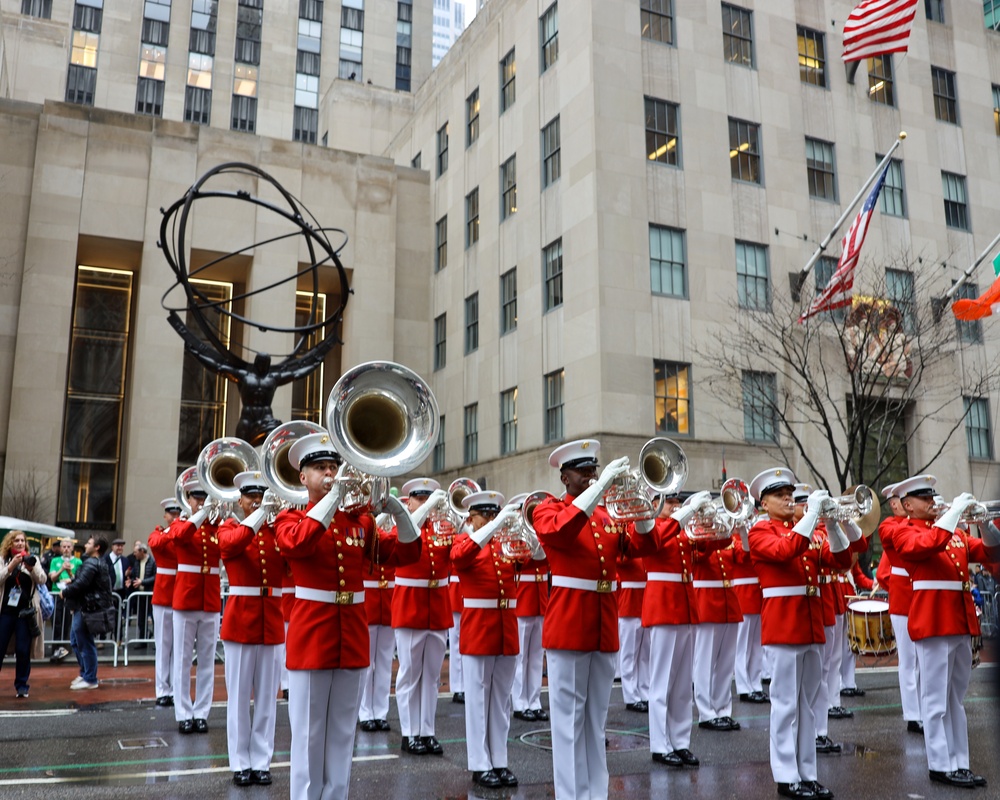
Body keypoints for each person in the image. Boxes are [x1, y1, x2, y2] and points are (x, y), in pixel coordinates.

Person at [275, 431, 421, 800]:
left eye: (333, 467)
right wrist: (336, 496)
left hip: (352, 634)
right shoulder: (290, 517)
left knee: (342, 734)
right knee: (309, 735)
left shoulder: (361, 522)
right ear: (302, 477)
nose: (329, 473)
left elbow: (407, 554)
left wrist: (398, 509)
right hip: (313, 634)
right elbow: (298, 543)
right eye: (320, 468)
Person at [530, 439, 643, 800]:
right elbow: (558, 532)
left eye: (594, 470)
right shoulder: (547, 509)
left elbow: (644, 547)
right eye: (583, 471)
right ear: (565, 476)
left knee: (595, 724)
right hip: (569, 623)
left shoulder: (608, 517)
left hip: (604, 623)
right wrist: (598, 494)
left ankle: (596, 794)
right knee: (567, 725)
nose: (591, 476)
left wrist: (642, 510)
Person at [746, 468, 854, 800]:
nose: (788, 499)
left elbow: (842, 560)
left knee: (808, 704)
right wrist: (811, 518)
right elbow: (783, 552)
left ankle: (807, 772)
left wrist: (833, 524)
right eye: (780, 495)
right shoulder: (760, 531)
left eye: (790, 493)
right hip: (783, 626)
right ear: (764, 503)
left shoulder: (801, 532)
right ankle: (785, 774)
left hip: (809, 624)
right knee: (785, 705)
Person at [893, 475, 998, 789]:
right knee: (935, 701)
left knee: (955, 700)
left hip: (959, 622)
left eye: (933, 496)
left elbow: (991, 553)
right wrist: (954, 514)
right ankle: (940, 764)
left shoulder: (953, 535)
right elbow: (928, 543)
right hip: (933, 623)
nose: (932, 501)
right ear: (907, 505)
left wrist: (984, 522)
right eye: (924, 498)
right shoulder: (904, 531)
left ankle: (960, 763)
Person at [629, 490, 711, 769]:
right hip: (663, 602)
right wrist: (686, 513)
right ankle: (660, 744)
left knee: (681, 683)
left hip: (685, 602)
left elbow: (712, 545)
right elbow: (658, 537)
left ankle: (680, 741)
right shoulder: (650, 526)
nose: (673, 506)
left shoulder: (681, 528)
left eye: (677, 502)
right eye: (668, 501)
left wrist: (710, 518)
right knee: (661, 680)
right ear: (653, 505)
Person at [451, 490, 524, 788]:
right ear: (471, 518)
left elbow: (538, 559)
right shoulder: (464, 542)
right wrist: (495, 526)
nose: (494, 520)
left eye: (496, 514)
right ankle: (480, 764)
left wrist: (522, 529)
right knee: (479, 701)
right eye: (487, 515)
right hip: (479, 627)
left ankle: (499, 760)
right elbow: (460, 557)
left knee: (501, 701)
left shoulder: (504, 546)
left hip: (506, 625)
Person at [218, 471, 285, 787]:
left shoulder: (276, 531)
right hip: (241, 621)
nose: (256, 500)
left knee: (268, 700)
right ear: (240, 500)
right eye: (250, 496)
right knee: (239, 697)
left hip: (271, 620)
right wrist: (261, 514)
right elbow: (232, 545)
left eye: (261, 495)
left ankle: (262, 761)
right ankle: (240, 761)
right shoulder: (230, 527)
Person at [392, 477, 452, 757]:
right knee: (409, 674)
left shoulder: (443, 528)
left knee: (431, 676)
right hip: (410, 606)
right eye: (419, 496)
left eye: (428, 496)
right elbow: (407, 530)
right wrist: (428, 507)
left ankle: (427, 731)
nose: (425, 501)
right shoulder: (405, 523)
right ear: (410, 500)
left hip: (437, 605)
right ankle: (409, 733)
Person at [161, 475, 221, 734]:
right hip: (186, 598)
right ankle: (184, 712)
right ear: (188, 500)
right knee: (183, 660)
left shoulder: (217, 527)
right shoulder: (182, 523)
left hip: (210, 600)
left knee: (207, 661)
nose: (202, 502)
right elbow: (181, 536)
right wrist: (198, 514)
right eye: (198, 497)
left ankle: (202, 712)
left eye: (205, 497)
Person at [876, 481, 923, 734]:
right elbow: (885, 571)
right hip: (904, 597)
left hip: (923, 596)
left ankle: (926, 709)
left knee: (925, 659)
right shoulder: (890, 525)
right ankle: (913, 714)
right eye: (897, 500)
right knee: (909, 659)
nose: (897, 504)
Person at [511, 493, 550, 723]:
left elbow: (546, 559)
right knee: (521, 656)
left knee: (536, 656)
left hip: (539, 601)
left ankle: (534, 701)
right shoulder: (515, 538)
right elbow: (522, 560)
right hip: (523, 601)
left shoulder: (541, 536)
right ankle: (519, 702)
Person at [359, 510, 397, 732]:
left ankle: (380, 711)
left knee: (383, 663)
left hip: (387, 604)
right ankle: (365, 712)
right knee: (366, 663)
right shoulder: (365, 531)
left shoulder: (389, 532)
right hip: (369, 603)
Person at [61, 536, 113, 691]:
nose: (85, 545)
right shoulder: (95, 563)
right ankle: (86, 674)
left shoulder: (91, 562)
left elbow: (82, 584)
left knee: (84, 643)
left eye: (89, 543)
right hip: (85, 607)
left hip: (86, 608)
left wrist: (66, 592)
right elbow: (85, 582)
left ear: (96, 547)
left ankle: (90, 677)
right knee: (77, 642)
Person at [0, 531, 47, 697]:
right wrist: (11, 566)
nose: (20, 543)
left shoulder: (31, 559)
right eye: (16, 541)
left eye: (22, 540)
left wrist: (31, 568)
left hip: (24, 613)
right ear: (10, 543)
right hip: (5, 611)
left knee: (22, 649)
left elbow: (42, 579)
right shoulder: (3, 559)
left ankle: (21, 685)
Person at [147, 497, 181, 707]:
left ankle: (177, 688)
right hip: (163, 596)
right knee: (163, 645)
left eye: (178, 513)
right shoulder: (160, 533)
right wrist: (175, 529)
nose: (175, 516)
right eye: (172, 513)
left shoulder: (182, 534)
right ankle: (162, 690)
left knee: (179, 648)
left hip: (180, 595)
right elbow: (155, 543)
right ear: (165, 515)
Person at [617, 542, 649, 713]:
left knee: (644, 654)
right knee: (629, 653)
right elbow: (620, 559)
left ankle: (645, 691)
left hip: (645, 598)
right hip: (629, 601)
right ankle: (631, 696)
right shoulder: (626, 539)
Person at [48, 538, 81, 660]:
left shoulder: (78, 562)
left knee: (68, 622)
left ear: (72, 548)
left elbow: (78, 579)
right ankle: (56, 647)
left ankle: (67, 647)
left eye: (68, 547)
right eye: (64, 547)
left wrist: (70, 573)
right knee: (57, 621)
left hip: (70, 595)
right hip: (57, 594)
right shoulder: (55, 560)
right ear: (61, 548)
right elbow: (52, 578)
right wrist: (62, 569)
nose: (66, 549)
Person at [126, 540, 156, 647]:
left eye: (135, 552)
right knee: (141, 619)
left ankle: (156, 642)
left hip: (150, 594)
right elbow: (136, 575)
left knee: (154, 618)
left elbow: (155, 577)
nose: (134, 555)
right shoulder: (136, 562)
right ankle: (142, 640)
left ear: (142, 551)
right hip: (140, 594)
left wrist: (142, 582)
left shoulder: (153, 562)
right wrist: (131, 580)